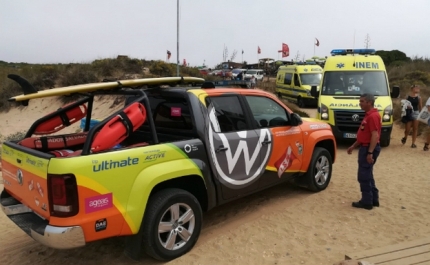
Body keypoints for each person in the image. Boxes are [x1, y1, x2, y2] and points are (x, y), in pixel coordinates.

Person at [347, 94, 381, 210]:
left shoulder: (373, 116)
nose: (360, 103)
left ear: (369, 103)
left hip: (368, 148)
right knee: (368, 173)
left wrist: (370, 153)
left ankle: (367, 202)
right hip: (365, 147)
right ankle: (373, 199)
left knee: (364, 175)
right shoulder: (368, 115)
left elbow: (374, 135)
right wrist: (354, 145)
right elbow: (364, 135)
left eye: (362, 101)